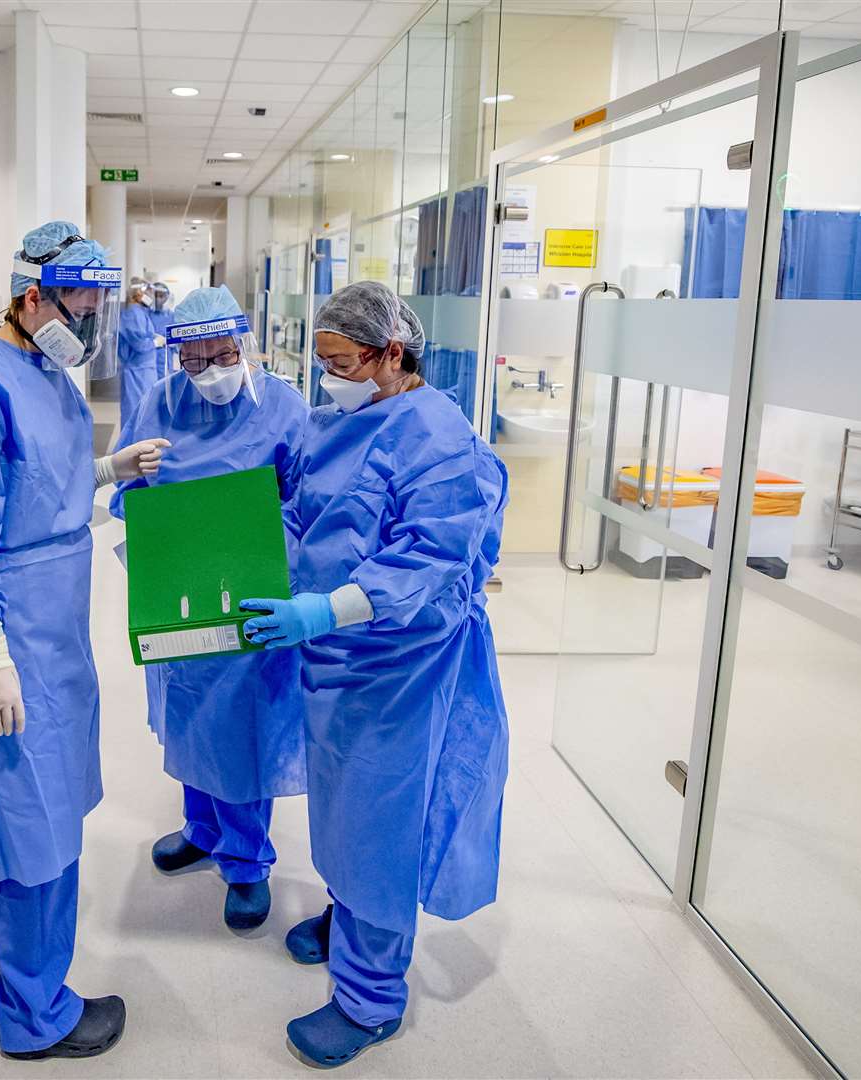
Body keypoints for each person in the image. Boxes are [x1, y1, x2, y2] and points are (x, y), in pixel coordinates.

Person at [0, 220, 170, 1061]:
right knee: (31, 808)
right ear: (30, 296)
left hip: (44, 622)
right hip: (2, 622)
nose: (90, 319)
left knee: (3, 790)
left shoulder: (43, 370)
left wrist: (108, 472)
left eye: (97, 302)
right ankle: (36, 1012)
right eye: (79, 301)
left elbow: (33, 484)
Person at [239, 280, 510, 1069]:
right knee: (342, 807)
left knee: (379, 825)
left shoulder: (437, 436)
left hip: (401, 665)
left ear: (392, 353)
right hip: (337, 660)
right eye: (320, 362)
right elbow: (303, 507)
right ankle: (345, 911)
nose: (328, 378)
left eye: (340, 362)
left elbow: (427, 559)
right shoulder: (342, 417)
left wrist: (321, 612)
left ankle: (368, 999)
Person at [109, 285, 309, 932]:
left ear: (243, 346)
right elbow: (126, 494)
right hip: (179, 588)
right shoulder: (158, 401)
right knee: (187, 714)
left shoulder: (282, 405)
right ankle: (200, 828)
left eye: (221, 357)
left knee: (239, 729)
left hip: (251, 586)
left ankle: (247, 863)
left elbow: (310, 501)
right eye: (193, 363)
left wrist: (257, 527)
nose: (209, 374)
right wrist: (133, 487)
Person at [117, 278, 160, 423]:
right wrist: (155, 342)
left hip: (144, 371)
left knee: (146, 411)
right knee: (135, 413)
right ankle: (134, 445)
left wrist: (154, 338)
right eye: (147, 292)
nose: (150, 296)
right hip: (137, 372)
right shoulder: (132, 313)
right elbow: (139, 344)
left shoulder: (140, 312)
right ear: (138, 294)